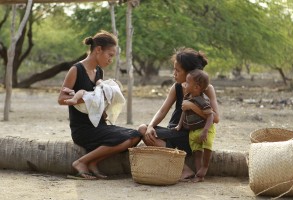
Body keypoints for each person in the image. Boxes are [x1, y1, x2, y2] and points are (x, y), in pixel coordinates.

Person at [58, 30, 141, 180]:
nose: (111, 60)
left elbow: (99, 96)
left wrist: (102, 108)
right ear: (98, 50)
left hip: (99, 125)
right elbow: (61, 99)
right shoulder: (76, 70)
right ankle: (81, 162)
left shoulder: (99, 72)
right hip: (83, 129)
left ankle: (93, 162)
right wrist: (85, 98)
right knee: (128, 137)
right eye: (110, 55)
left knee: (135, 136)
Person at [138, 47, 219, 181]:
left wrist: (192, 106)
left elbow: (216, 118)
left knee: (143, 129)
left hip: (192, 135)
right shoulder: (176, 87)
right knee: (145, 130)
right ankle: (183, 168)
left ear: (189, 73)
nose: (174, 74)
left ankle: (183, 169)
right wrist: (151, 125)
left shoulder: (207, 89)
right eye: (173, 69)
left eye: (177, 70)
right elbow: (163, 110)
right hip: (175, 131)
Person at [174, 69, 215, 182]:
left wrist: (205, 131)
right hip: (193, 131)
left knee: (207, 147)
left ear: (196, 87)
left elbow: (211, 116)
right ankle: (199, 175)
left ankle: (205, 166)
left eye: (187, 82)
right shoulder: (187, 97)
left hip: (205, 128)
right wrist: (179, 125)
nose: (184, 84)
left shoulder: (202, 101)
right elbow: (184, 111)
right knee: (197, 152)